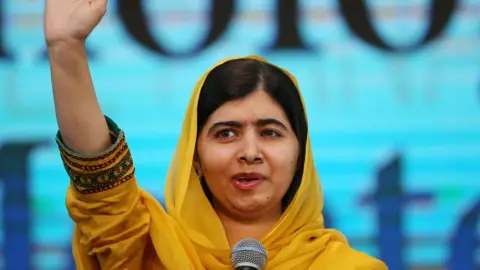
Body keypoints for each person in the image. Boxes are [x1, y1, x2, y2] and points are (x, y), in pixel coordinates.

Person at [44, 0, 388, 269]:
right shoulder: (149, 255)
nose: (250, 152)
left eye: (270, 132)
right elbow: (103, 191)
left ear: (301, 154)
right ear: (195, 158)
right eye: (226, 134)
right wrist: (66, 48)